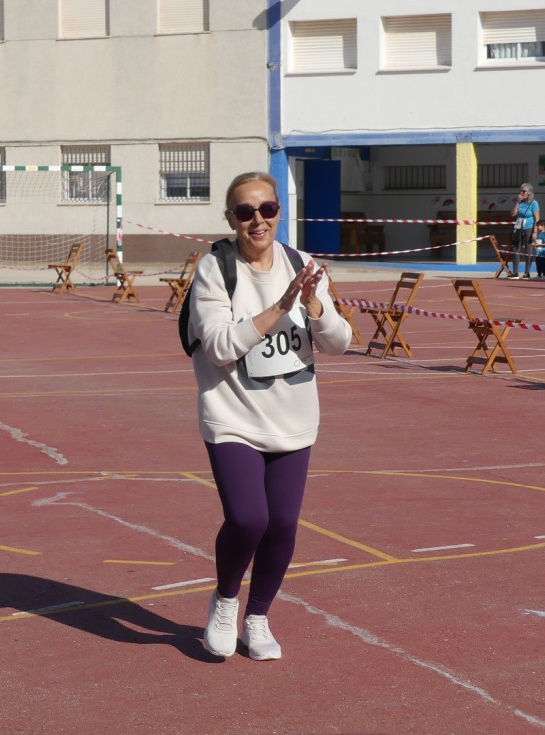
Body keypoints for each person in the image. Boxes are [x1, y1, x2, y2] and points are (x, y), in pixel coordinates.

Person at [187, 171, 353, 661]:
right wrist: (280, 306)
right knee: (248, 519)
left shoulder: (304, 265)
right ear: (231, 219)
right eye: (245, 212)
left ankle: (257, 617)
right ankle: (225, 600)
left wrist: (314, 305)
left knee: (281, 526)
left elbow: (340, 343)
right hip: (233, 414)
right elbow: (220, 347)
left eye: (267, 209)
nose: (257, 220)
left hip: (293, 418)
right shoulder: (216, 270)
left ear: (279, 211)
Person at [507, 184, 540, 279]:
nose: (521, 193)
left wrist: (535, 231)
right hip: (519, 226)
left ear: (529, 192)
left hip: (529, 226)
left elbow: (537, 217)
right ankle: (515, 272)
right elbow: (513, 214)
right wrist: (517, 202)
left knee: (528, 249)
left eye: (523, 191)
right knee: (515, 248)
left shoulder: (533, 203)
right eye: (520, 191)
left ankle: (527, 272)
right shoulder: (520, 202)